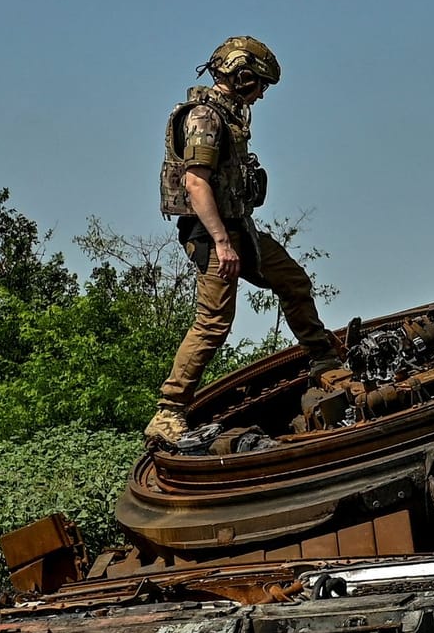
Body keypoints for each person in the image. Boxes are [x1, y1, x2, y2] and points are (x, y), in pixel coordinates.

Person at [145, 36, 340, 444]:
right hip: (215, 232)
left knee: (292, 280)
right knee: (213, 322)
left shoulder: (228, 116)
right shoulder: (205, 118)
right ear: (241, 76)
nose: (263, 94)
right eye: (260, 84)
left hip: (239, 227)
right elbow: (196, 183)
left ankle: (323, 359)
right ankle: (168, 412)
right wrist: (221, 243)